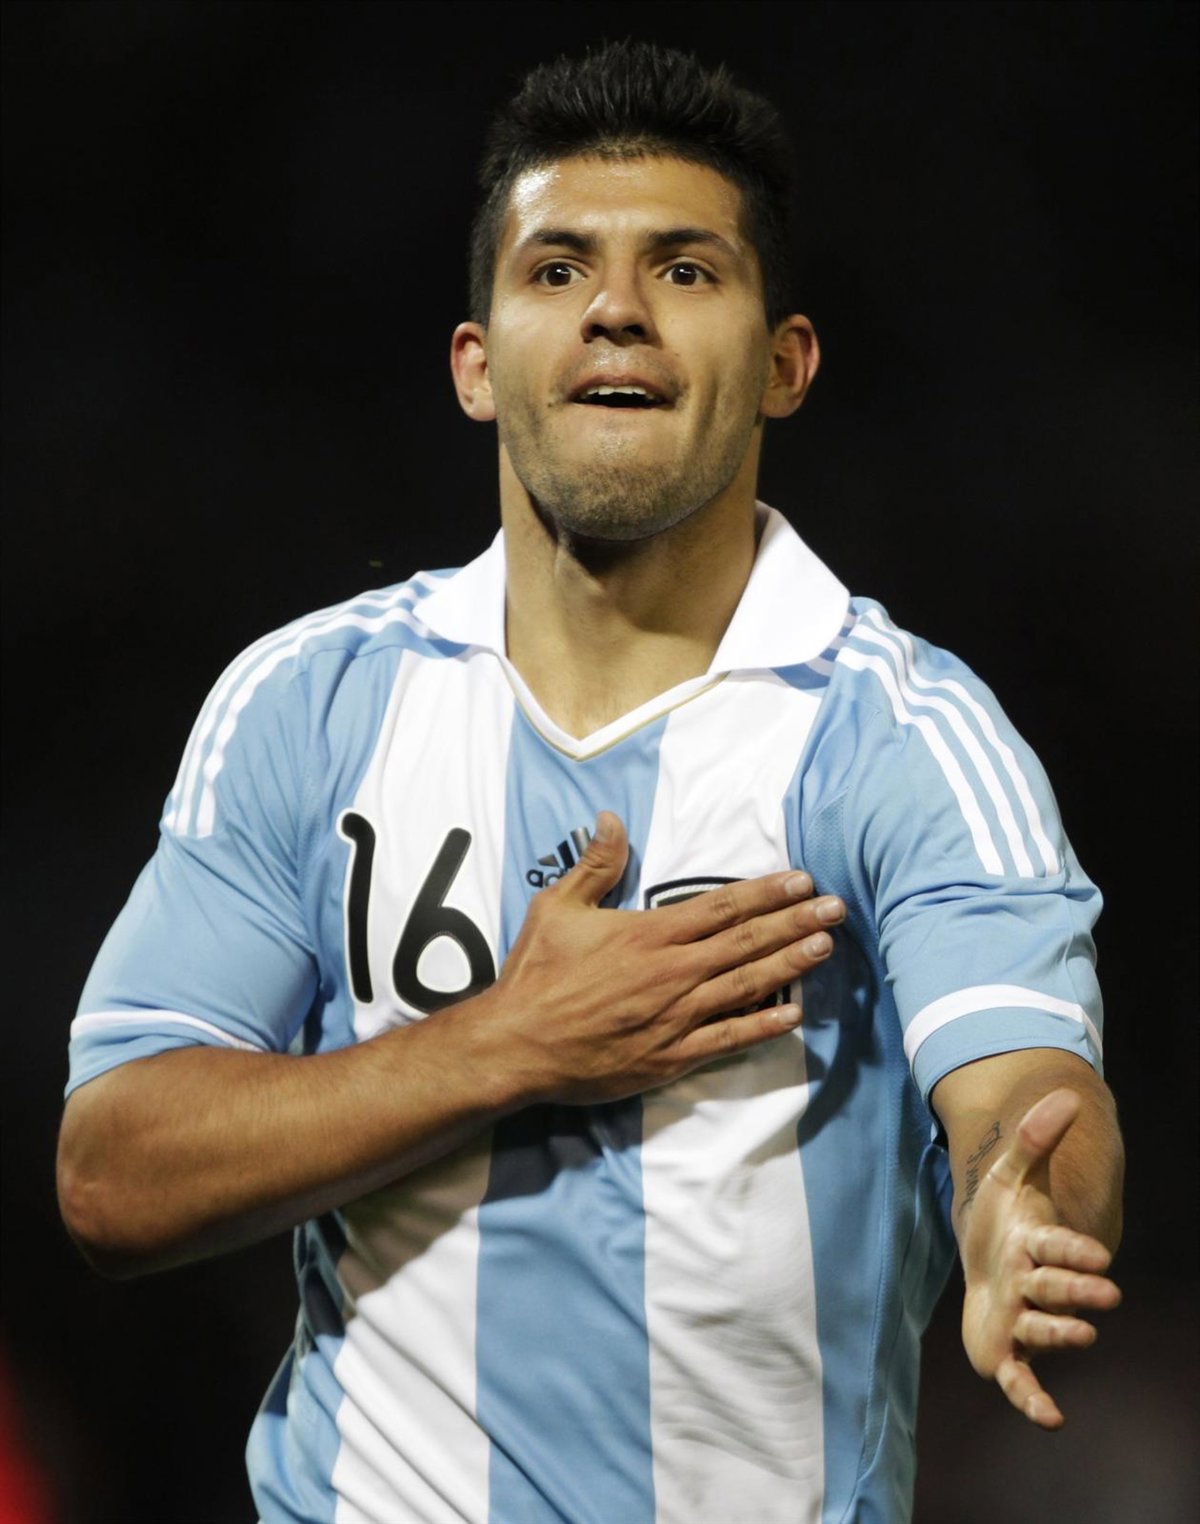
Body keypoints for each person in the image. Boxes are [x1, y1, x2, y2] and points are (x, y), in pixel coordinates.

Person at [57, 39, 1124, 1524]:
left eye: (685, 269)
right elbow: (113, 1175)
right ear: (477, 364)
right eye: (558, 269)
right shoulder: (310, 703)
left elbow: (1025, 1093)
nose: (616, 307)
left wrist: (1022, 1217)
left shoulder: (907, 737)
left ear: (786, 363)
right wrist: (513, 1042)